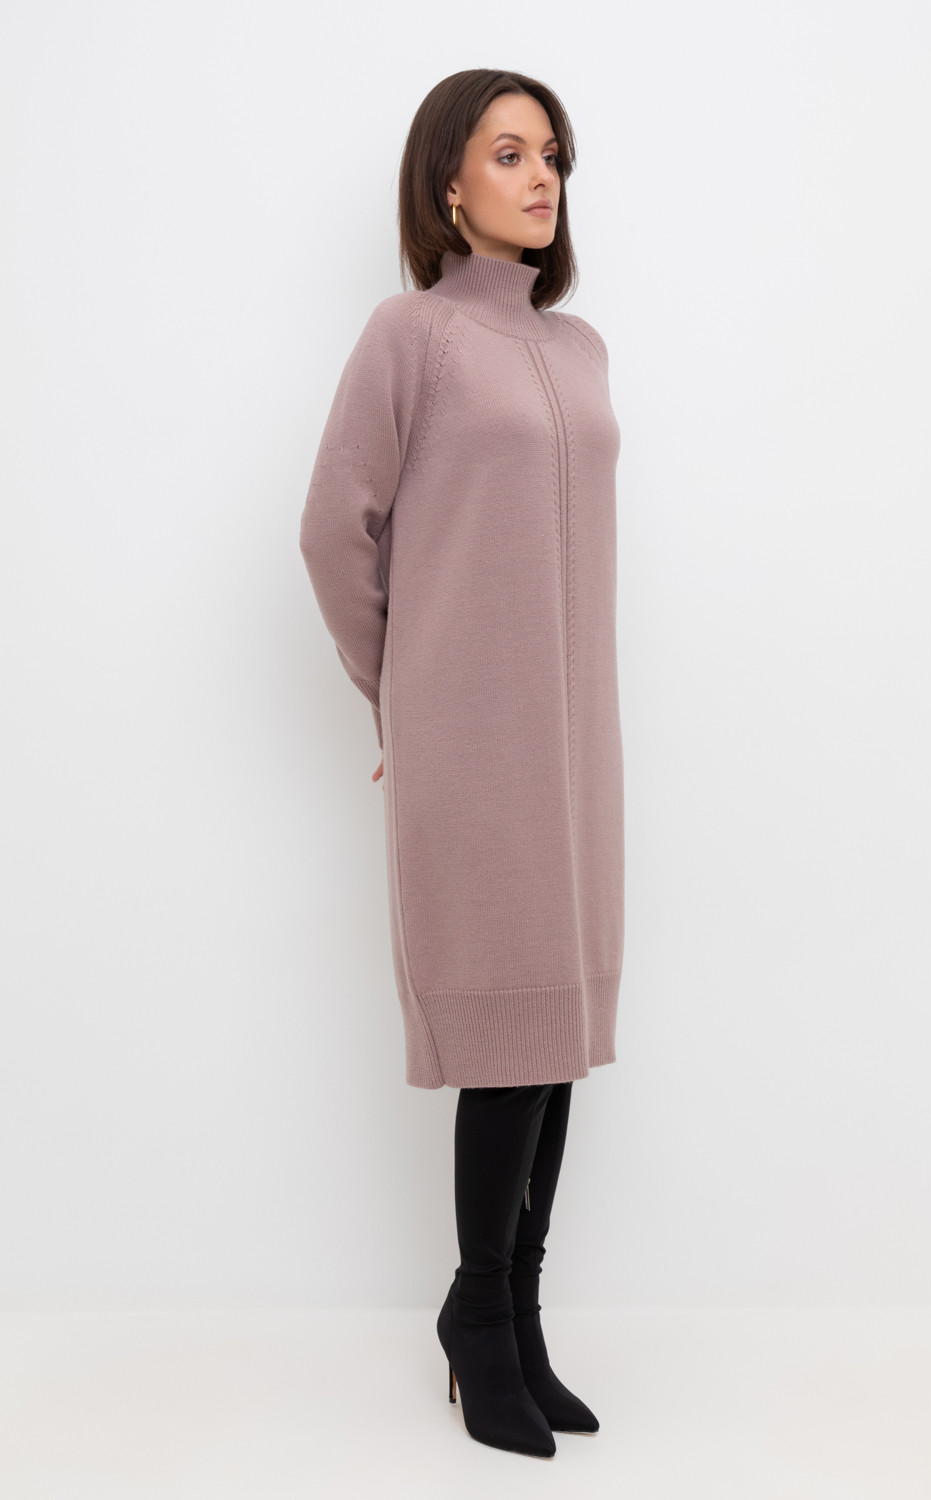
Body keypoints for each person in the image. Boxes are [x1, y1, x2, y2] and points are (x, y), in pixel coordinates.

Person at [299, 69, 625, 1458]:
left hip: (577, 741)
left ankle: (515, 1313)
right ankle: (479, 1319)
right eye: (509, 154)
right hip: (471, 743)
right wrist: (400, 695)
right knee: (502, 1025)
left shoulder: (580, 347)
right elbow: (333, 529)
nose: (541, 177)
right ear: (449, 183)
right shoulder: (413, 336)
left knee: (557, 1028)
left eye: (553, 155)